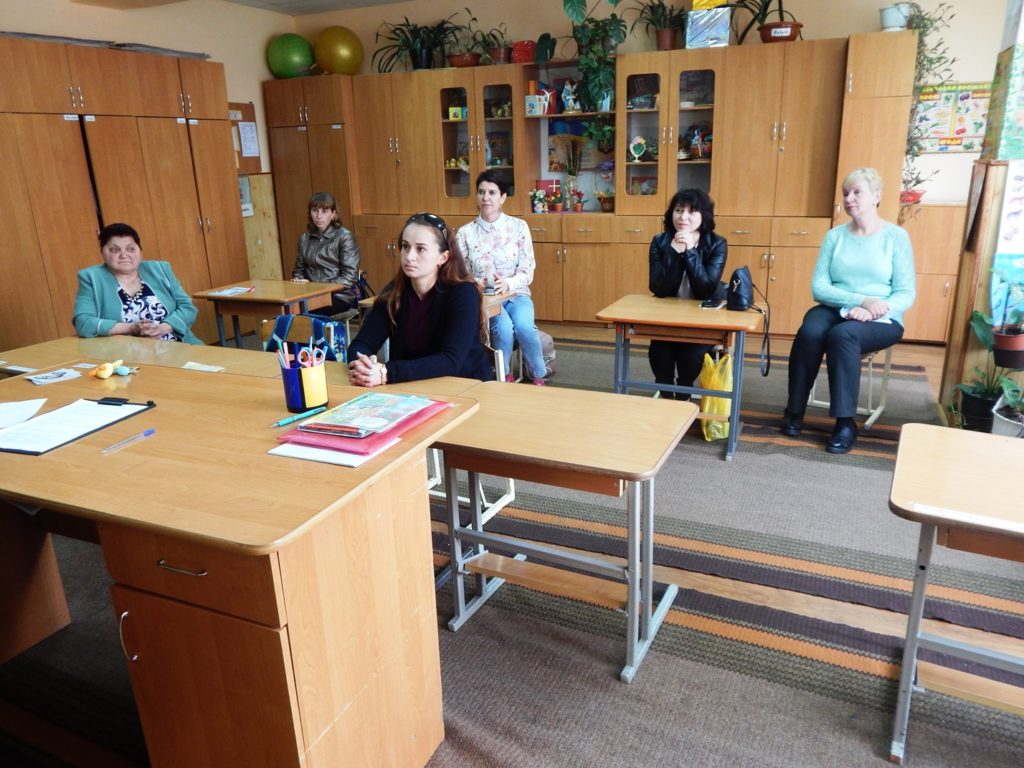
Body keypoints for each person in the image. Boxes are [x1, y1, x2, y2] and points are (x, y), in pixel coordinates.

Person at [781, 168, 915, 454]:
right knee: (810, 331)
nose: (849, 198)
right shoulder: (835, 236)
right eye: (846, 193)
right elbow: (819, 287)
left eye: (857, 192)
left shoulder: (896, 237)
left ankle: (845, 423)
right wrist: (861, 301)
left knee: (843, 336)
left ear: (876, 196)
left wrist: (875, 309)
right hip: (837, 306)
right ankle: (794, 409)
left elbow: (906, 292)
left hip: (883, 317)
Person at [348, 212, 491, 386]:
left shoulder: (463, 293)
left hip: (465, 387)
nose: (409, 257)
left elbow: (451, 360)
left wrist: (387, 373)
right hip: (411, 388)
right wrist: (363, 366)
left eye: (420, 249)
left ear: (443, 257)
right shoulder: (394, 292)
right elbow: (361, 344)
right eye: (405, 246)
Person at [455, 170, 547, 385]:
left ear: (503, 197)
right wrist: (472, 282)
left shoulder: (518, 227)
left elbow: (528, 270)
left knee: (524, 327)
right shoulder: (465, 233)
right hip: (486, 298)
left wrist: (508, 283)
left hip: (516, 293)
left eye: (492, 192)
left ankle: (539, 374)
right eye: (481, 192)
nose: (486, 198)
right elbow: (459, 272)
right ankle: (504, 376)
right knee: (503, 329)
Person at [648, 188, 728, 399]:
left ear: (704, 216)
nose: (683, 217)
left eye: (692, 211)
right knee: (659, 354)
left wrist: (691, 251)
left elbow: (705, 290)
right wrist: (673, 253)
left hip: (701, 320)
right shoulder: (660, 242)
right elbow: (658, 289)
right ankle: (666, 395)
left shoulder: (717, 244)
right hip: (667, 318)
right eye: (678, 210)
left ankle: (685, 393)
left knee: (690, 358)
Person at [73, 222, 202, 344]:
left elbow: (187, 307)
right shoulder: (92, 278)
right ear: (102, 252)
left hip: (178, 345)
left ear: (140, 251)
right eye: (115, 250)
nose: (124, 255)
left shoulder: (160, 269)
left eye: (130, 249)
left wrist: (164, 327)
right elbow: (83, 323)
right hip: (125, 353)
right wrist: (131, 328)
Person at [292, 191, 361, 314]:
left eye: (324, 211)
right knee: (282, 316)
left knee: (303, 315)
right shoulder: (304, 238)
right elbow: (298, 271)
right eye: (315, 211)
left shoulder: (344, 236)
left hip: (339, 296)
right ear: (310, 213)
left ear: (333, 214)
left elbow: (349, 277)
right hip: (309, 295)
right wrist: (298, 281)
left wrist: (315, 287)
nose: (319, 216)